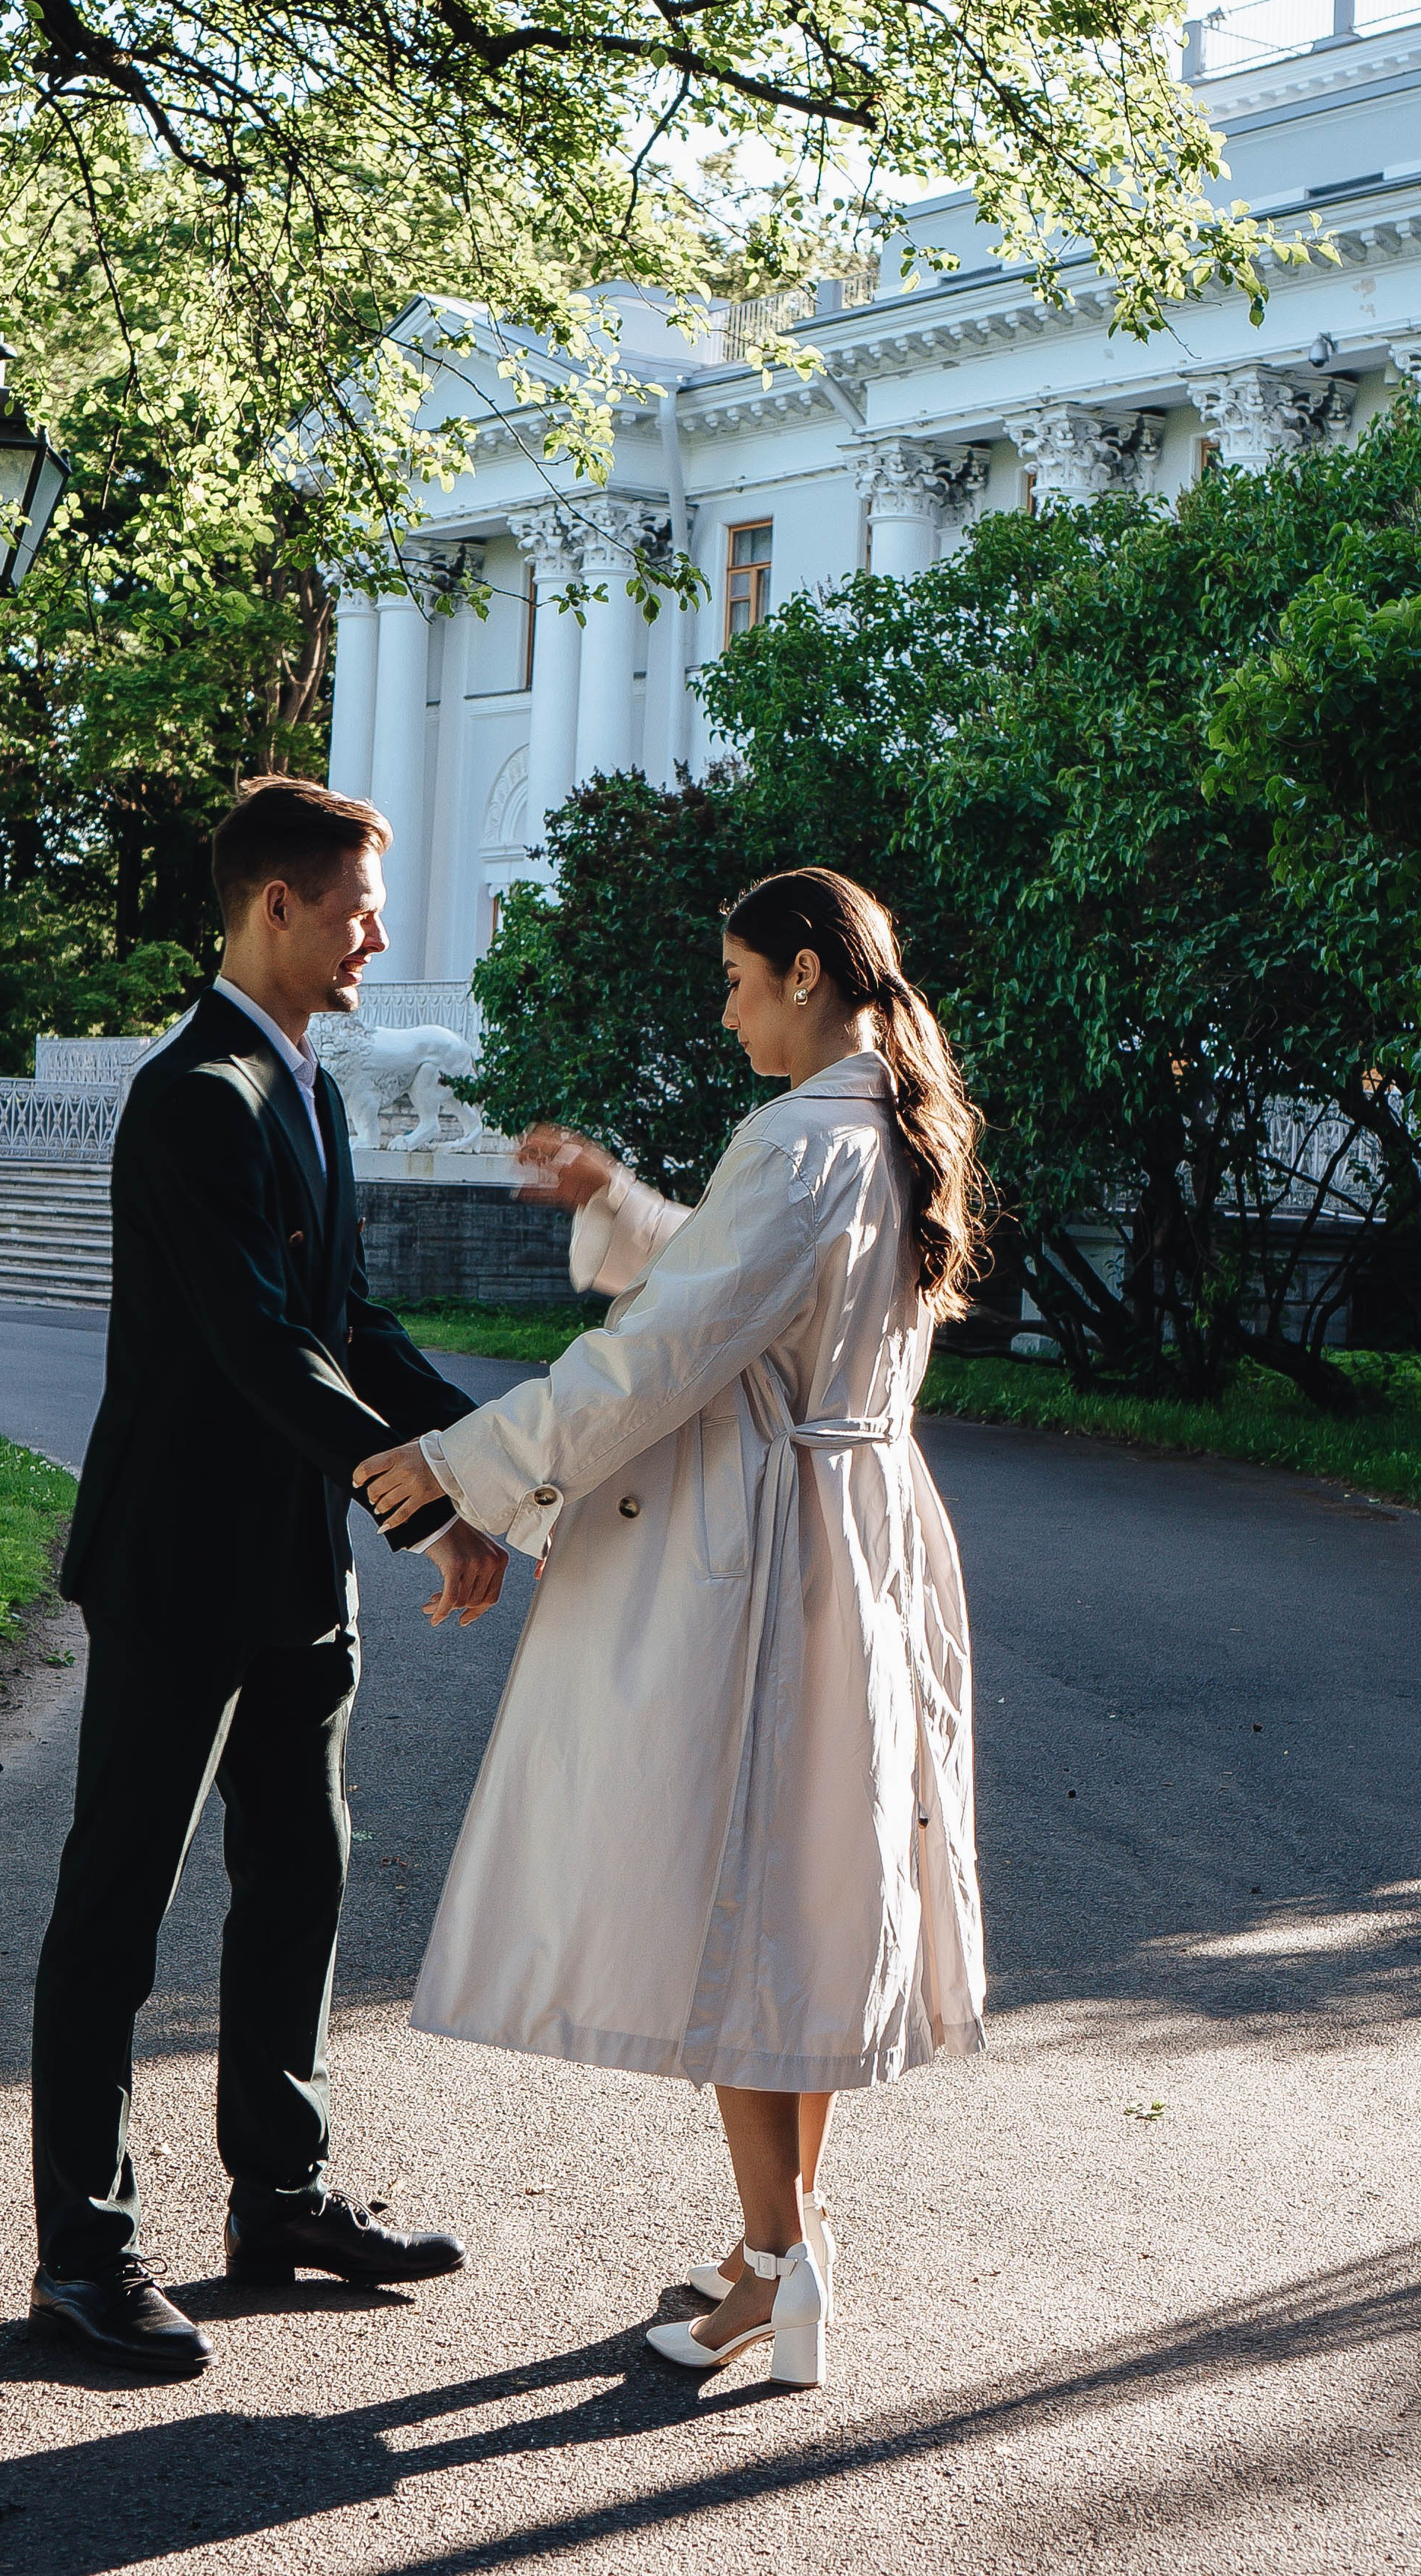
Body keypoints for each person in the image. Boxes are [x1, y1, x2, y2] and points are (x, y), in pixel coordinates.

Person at [357, 866, 988, 2390]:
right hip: (857, 1535)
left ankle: (775, 2274)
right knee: (803, 1907)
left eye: (731, 980)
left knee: (731, 1903)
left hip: (767, 1553)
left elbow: (662, 1360)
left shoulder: (802, 1137)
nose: (722, 1010)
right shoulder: (883, 1125)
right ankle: (780, 2248)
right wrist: (620, 1207)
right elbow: (736, 1290)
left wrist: (453, 1462)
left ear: (796, 971)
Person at [29, 777, 509, 2376]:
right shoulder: (196, 1095)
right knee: (118, 1903)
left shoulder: (308, 1088)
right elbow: (257, 1351)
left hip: (298, 1564)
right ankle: (83, 2256)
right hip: (175, 1565)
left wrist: (503, 1445)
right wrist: (429, 1505)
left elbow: (352, 1328)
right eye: (360, 905)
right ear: (278, 907)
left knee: (298, 1880)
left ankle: (281, 2197)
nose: (380, 933)